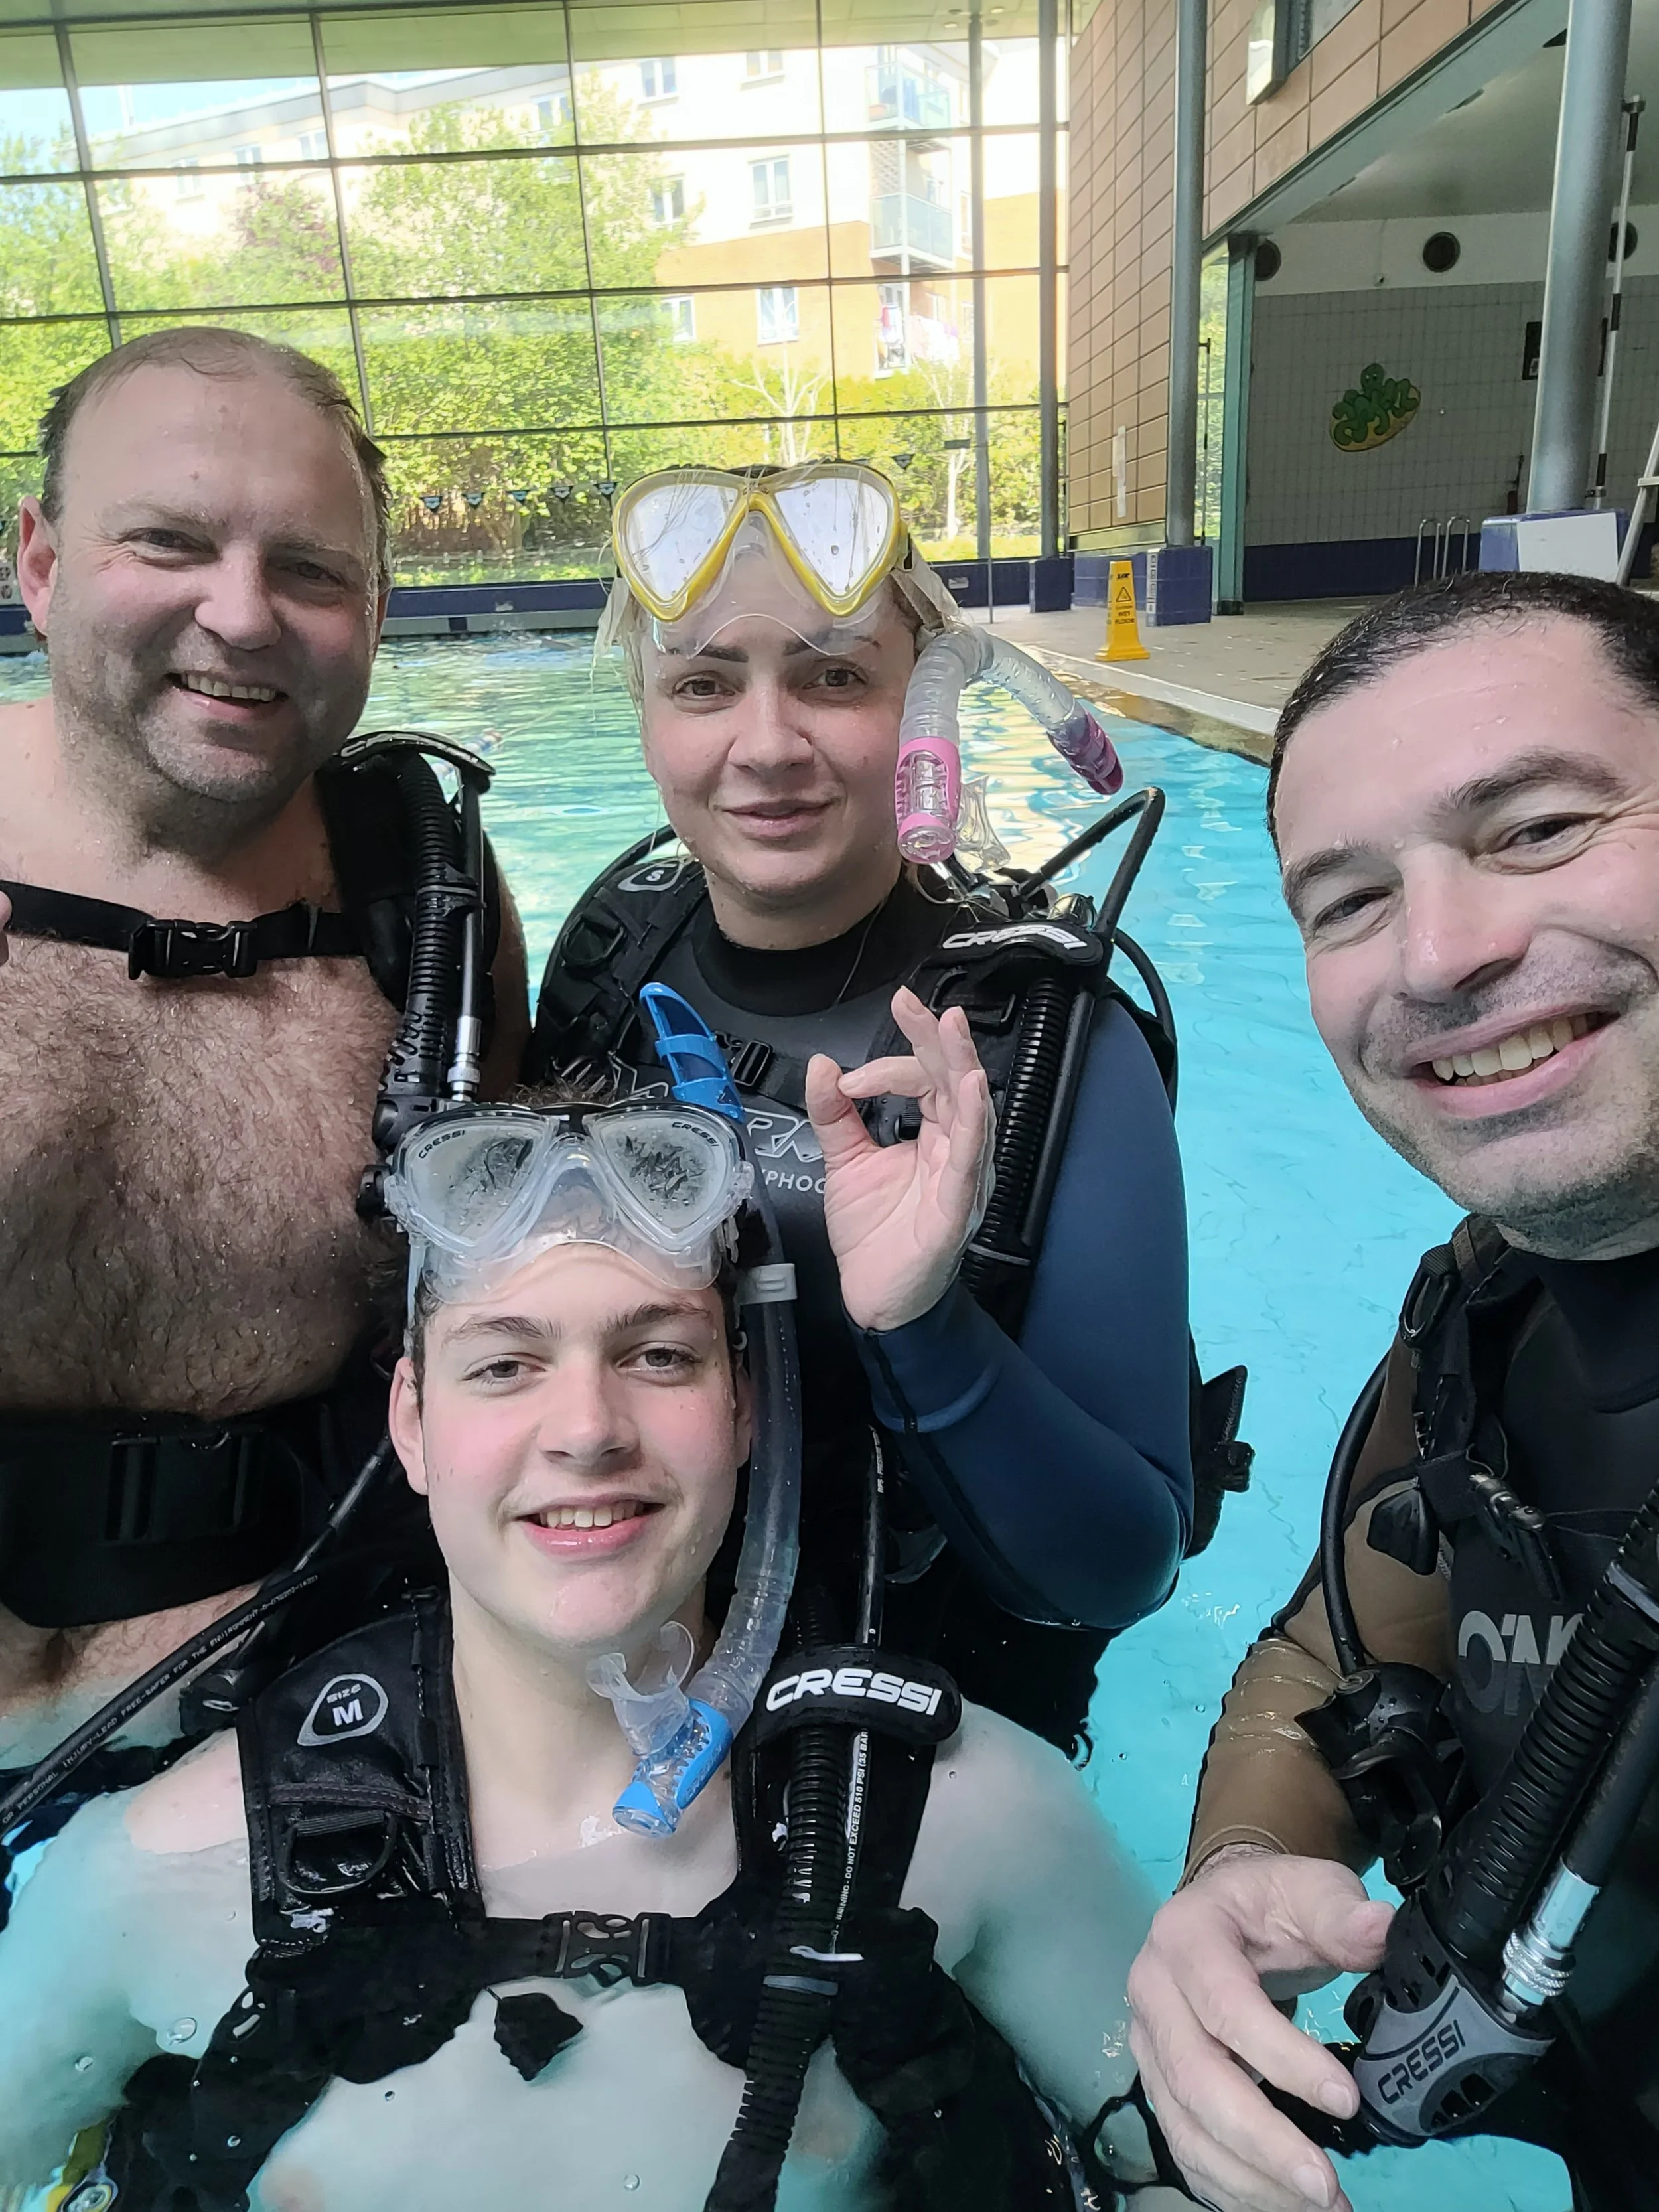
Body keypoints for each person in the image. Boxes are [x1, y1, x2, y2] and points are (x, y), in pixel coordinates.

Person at [0, 1013, 1181, 2212]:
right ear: (411, 1423)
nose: (586, 1430)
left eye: (660, 1357)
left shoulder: (968, 1824)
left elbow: (1200, 2174)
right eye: (504, 1365)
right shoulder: (153, 1884)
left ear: (748, 1405)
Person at [532, 461, 1230, 1756]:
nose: (765, 743)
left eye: (833, 675)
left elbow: (1120, 1567)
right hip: (626, 1702)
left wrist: (921, 1322)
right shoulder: (604, 963)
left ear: (922, 700)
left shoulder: (1044, 1043)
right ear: (642, 711)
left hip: (932, 1758)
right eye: (700, 683)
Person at [1125, 569, 1659, 2212]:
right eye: (1346, 899)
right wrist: (1229, 1883)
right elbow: (1335, 1642)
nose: (1437, 951)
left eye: (1536, 827)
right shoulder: (1485, 1307)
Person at [0, 326, 528, 1780]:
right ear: (40, 561)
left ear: (373, 604)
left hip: (294, 1733)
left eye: (308, 569)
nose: (240, 617)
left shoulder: (428, 901)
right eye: (167, 542)